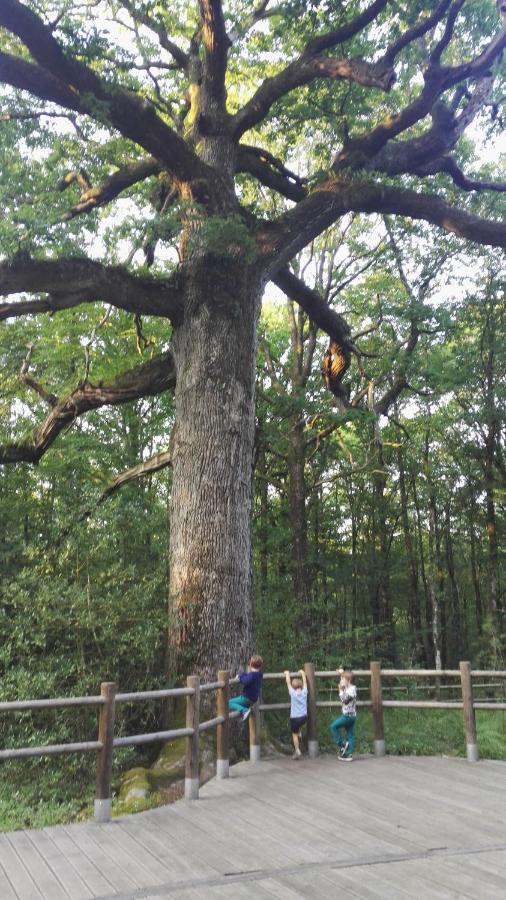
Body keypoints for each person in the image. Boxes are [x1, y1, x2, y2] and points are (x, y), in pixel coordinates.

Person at [330, 667, 357, 761]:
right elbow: (344, 682)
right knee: (350, 734)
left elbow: (344, 701)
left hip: (347, 717)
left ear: (348, 680)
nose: (341, 680)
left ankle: (342, 744)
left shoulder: (351, 690)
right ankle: (349, 754)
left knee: (333, 726)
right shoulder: (349, 687)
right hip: (352, 716)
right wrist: (342, 674)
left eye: (343, 679)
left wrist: (340, 690)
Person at [229, 655, 263, 720]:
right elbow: (247, 675)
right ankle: (245, 710)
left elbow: (245, 681)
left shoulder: (252, 675)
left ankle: (244, 710)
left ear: (250, 664)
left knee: (229, 703)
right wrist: (242, 675)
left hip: (246, 698)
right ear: (260, 666)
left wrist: (239, 677)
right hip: (253, 700)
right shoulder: (259, 674)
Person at [284, 668, 308, 759]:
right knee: (299, 726)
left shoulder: (292, 693)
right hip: (304, 717)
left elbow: (288, 682)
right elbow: (305, 682)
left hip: (294, 718)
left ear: (293, 687)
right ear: (301, 686)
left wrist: (287, 673)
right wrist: (302, 673)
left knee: (294, 735)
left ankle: (297, 749)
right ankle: (299, 732)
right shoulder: (305, 692)